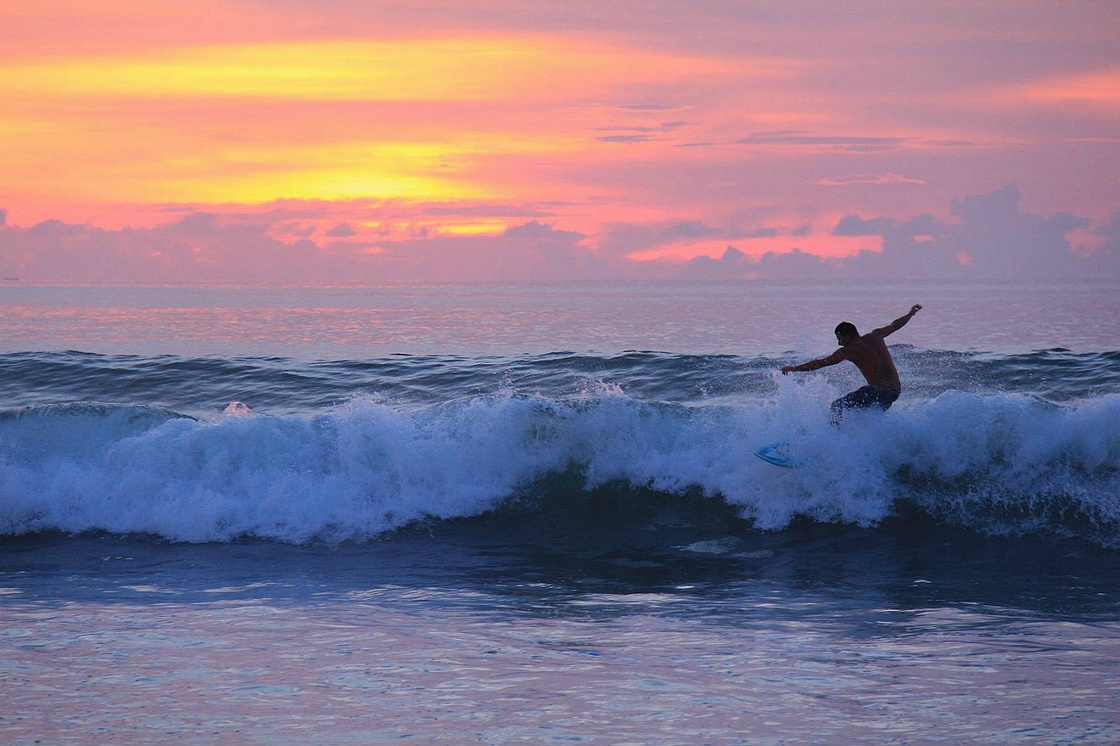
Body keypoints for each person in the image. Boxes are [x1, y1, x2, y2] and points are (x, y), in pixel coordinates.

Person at [781, 304, 922, 422]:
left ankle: (833, 439)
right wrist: (910, 314)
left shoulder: (848, 351)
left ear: (846, 335)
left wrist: (794, 368)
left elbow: (821, 363)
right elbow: (895, 325)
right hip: (894, 392)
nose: (838, 343)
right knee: (865, 419)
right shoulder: (876, 336)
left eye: (839, 338)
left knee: (836, 406)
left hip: (876, 392)